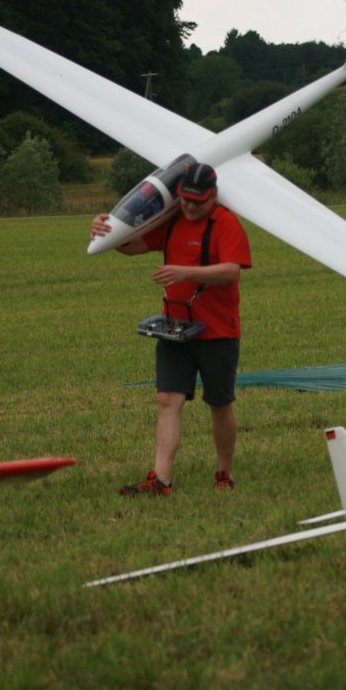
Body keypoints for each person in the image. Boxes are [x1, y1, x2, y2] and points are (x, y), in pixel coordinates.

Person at [91, 162, 252, 496]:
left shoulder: (225, 223)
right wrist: (107, 231)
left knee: (219, 403)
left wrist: (186, 272)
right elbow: (132, 246)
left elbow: (231, 271)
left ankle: (224, 474)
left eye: (197, 202)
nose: (189, 207)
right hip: (175, 329)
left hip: (218, 332)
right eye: (185, 199)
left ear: (214, 196)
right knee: (167, 399)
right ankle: (160, 480)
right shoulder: (173, 219)